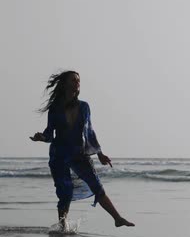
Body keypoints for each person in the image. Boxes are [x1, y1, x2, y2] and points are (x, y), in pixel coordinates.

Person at [30, 71, 134, 228]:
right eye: (74, 80)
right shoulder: (55, 108)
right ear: (65, 84)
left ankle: (117, 218)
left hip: (78, 153)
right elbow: (50, 134)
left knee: (96, 186)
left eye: (79, 80)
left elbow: (90, 132)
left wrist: (99, 153)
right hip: (59, 154)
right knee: (65, 191)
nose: (78, 83)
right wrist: (42, 138)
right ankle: (63, 226)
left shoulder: (84, 107)